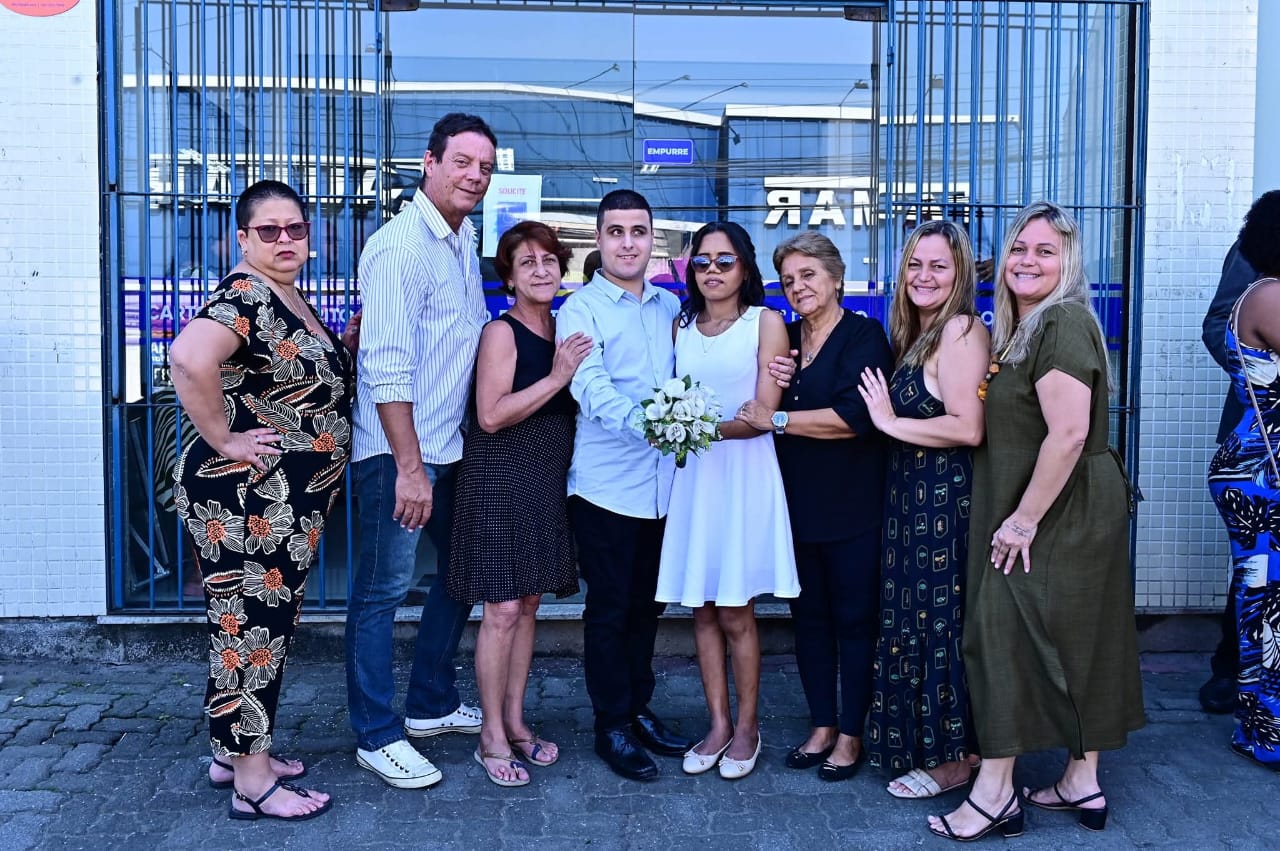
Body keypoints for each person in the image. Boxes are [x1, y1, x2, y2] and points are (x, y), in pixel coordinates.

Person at [929, 201, 1144, 841]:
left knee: (999, 636)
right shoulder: (1024, 327)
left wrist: (1022, 521)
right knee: (1081, 637)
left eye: (1045, 251)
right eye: (1020, 248)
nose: (1028, 260)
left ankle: (994, 794)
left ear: (1068, 262)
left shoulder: (1063, 323)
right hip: (1062, 504)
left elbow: (1069, 432)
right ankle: (1081, 780)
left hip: (1055, 510)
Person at [170, 179, 357, 821]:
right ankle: (253, 782)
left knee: (255, 626)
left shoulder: (287, 294)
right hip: (248, 495)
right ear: (242, 238)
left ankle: (236, 753)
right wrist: (222, 435)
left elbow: (283, 374)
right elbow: (189, 357)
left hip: (283, 500)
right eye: (269, 230)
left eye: (295, 228)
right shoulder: (245, 294)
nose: (285, 239)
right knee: (251, 630)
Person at [345, 113, 496, 789]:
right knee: (379, 594)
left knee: (462, 575)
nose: (474, 176)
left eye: (485, 167)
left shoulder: (459, 240)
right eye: (462, 162)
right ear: (429, 162)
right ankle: (377, 734)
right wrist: (409, 467)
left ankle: (431, 701)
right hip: (397, 453)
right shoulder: (402, 245)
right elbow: (385, 364)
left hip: (450, 446)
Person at [737, 231, 893, 783]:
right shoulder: (788, 343)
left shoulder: (864, 335)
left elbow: (856, 417)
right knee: (809, 621)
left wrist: (775, 420)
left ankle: (852, 733)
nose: (798, 286)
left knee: (854, 621)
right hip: (797, 505)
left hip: (853, 505)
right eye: (789, 278)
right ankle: (822, 725)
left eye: (808, 275)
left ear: (835, 278)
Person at [553, 189, 693, 781]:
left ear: (652, 238)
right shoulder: (580, 309)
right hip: (607, 488)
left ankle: (638, 709)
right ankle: (611, 724)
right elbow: (591, 387)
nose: (628, 242)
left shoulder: (669, 307)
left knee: (647, 608)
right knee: (610, 612)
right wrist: (650, 425)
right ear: (600, 240)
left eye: (639, 231)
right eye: (616, 232)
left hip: (665, 487)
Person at [447, 221, 593, 787]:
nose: (540, 270)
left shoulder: (567, 324)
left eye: (549, 260)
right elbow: (490, 414)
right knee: (502, 609)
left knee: (529, 603)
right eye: (526, 262)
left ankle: (515, 721)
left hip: (548, 474)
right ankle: (490, 737)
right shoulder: (501, 334)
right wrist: (559, 375)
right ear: (508, 275)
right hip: (502, 472)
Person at [654, 222, 799, 781]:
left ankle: (748, 727)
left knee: (737, 609)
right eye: (703, 262)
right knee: (702, 609)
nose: (712, 271)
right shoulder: (680, 325)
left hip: (740, 475)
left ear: (745, 268)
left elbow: (761, 414)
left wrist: (693, 425)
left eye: (725, 261)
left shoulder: (766, 324)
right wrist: (673, 426)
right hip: (694, 480)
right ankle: (716, 724)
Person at [857, 220, 988, 799]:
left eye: (939, 265)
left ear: (959, 274)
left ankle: (955, 761)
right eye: (915, 264)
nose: (924, 276)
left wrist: (888, 422)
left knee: (940, 626)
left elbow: (968, 427)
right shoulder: (924, 332)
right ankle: (930, 746)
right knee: (915, 621)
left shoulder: (960, 329)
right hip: (911, 501)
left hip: (944, 502)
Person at [1207, 189, 1280, 770]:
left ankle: (1259, 729)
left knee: (1264, 600)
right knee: (1266, 602)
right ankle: (1265, 731)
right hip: (1263, 473)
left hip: (1258, 469)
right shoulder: (1271, 296)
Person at [1200, 238, 1260, 715]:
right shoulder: (1266, 235)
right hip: (1263, 435)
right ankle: (1233, 668)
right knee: (1260, 564)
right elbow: (1219, 323)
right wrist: (1262, 374)